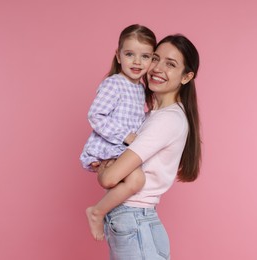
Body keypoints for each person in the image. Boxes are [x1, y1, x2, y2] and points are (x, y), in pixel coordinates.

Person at [94, 34, 201, 259]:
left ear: (186, 77)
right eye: (155, 58)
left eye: (170, 64)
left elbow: (109, 178)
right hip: (137, 220)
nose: (157, 68)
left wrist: (105, 168)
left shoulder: (167, 120)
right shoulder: (152, 116)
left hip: (134, 218)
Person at [80, 24, 157, 241]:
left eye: (145, 56)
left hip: (125, 149)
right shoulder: (114, 83)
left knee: (134, 183)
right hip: (112, 145)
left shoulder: (140, 88)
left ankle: (107, 214)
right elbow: (96, 115)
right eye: (130, 54)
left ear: (152, 60)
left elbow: (135, 118)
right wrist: (126, 136)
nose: (137, 62)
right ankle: (96, 211)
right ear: (118, 55)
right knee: (136, 181)